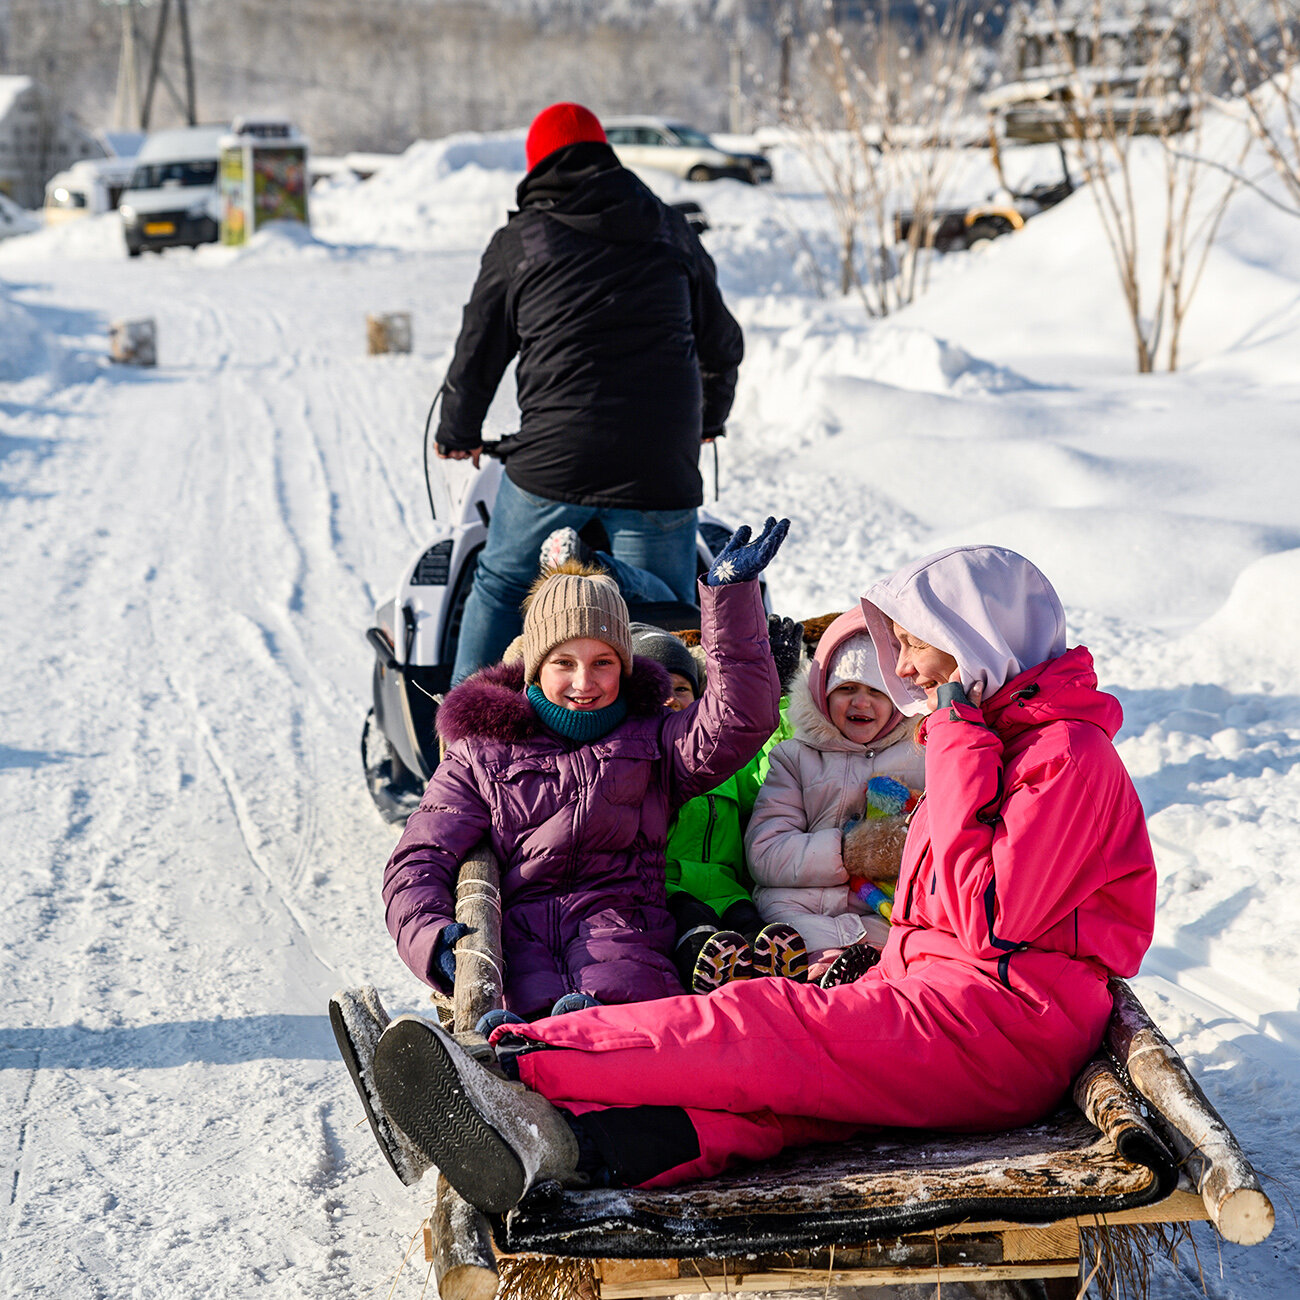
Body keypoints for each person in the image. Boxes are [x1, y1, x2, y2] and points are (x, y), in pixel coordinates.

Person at [347, 544, 1156, 1210]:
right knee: (768, 1111)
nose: (900, 665)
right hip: (947, 1002)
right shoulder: (993, 736)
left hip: (999, 1024)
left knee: (759, 1025)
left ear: (974, 635)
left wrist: (954, 743)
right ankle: (565, 1147)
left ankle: (503, 1063)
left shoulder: (1059, 756)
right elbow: (934, 905)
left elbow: (983, 920)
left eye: (912, 640)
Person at [379, 519, 787, 1030]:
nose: (583, 682)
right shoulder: (481, 752)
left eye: (603, 663)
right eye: (564, 662)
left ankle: (591, 1062)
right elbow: (419, 859)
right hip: (515, 942)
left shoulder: (656, 742)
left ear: (625, 666)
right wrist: (433, 939)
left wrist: (729, 600)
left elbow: (741, 721)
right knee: (516, 1029)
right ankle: (508, 1069)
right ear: (535, 665)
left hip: (625, 935)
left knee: (625, 1026)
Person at [437, 102, 744, 683]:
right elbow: (722, 343)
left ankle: (465, 744)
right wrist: (708, 418)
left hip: (556, 461)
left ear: (536, 166)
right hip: (659, 466)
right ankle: (667, 752)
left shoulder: (520, 239)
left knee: (503, 582)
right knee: (661, 617)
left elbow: (478, 351)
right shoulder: (670, 227)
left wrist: (458, 432)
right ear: (606, 154)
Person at [745, 607, 926, 978]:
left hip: (879, 911)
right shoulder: (795, 757)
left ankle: (858, 978)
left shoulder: (921, 754)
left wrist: (898, 846)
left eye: (877, 691)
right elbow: (765, 853)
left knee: (895, 956)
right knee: (787, 945)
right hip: (794, 908)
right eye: (846, 689)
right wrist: (848, 852)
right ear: (822, 692)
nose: (861, 702)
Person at [629, 621, 804, 992]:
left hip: (729, 887)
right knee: (695, 923)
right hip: (668, 889)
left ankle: (776, 972)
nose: (670, 698)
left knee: (748, 922)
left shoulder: (719, 761)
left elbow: (769, 782)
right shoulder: (631, 757)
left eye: (681, 689)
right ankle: (704, 968)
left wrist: (778, 696)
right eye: (659, 688)